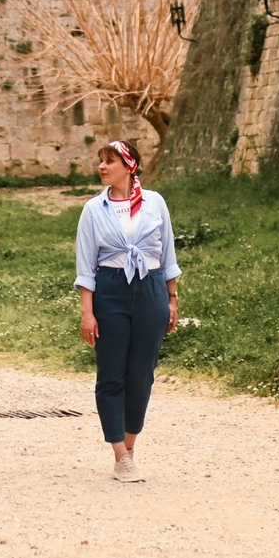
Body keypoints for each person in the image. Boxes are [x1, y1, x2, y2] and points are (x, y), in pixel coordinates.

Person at [74, 138, 178, 481]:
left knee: (142, 375)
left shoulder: (155, 202)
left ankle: (129, 447)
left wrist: (171, 299)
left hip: (150, 288)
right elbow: (86, 265)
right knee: (112, 374)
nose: (102, 167)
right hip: (111, 290)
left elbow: (168, 256)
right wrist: (87, 313)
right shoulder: (93, 209)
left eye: (110, 161)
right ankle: (120, 455)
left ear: (129, 166)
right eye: (101, 161)